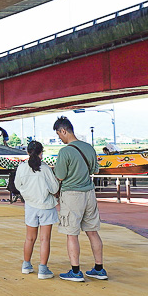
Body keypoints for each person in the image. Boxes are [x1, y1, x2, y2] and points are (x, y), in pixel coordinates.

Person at [52, 116, 107, 282]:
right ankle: (99, 268)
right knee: (92, 231)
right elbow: (95, 169)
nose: (59, 138)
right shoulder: (89, 148)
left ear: (63, 131)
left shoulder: (65, 151)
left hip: (72, 195)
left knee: (72, 234)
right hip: (89, 193)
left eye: (58, 134)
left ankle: (75, 271)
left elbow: (60, 176)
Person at [15, 140, 60, 280]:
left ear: (28, 152)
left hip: (30, 205)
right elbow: (54, 188)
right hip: (46, 206)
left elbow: (17, 185)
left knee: (30, 237)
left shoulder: (22, 167)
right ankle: (43, 269)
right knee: (44, 239)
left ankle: (26, 265)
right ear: (41, 153)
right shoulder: (45, 168)